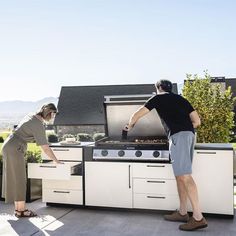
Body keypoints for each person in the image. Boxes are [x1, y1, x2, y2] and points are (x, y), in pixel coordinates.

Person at [123, 80, 208, 231]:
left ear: (158, 88)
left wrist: (129, 125)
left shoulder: (158, 97)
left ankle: (198, 217)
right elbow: (197, 121)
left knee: (185, 175)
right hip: (189, 135)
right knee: (180, 175)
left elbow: (138, 113)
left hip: (179, 136)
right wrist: (185, 127)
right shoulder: (181, 99)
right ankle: (182, 212)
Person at [1, 103, 61, 218]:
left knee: (15, 178)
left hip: (9, 144)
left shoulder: (31, 116)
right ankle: (22, 210)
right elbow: (45, 147)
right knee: (19, 179)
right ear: (48, 113)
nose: (53, 117)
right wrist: (56, 161)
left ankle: (18, 210)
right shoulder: (38, 124)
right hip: (15, 148)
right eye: (53, 114)